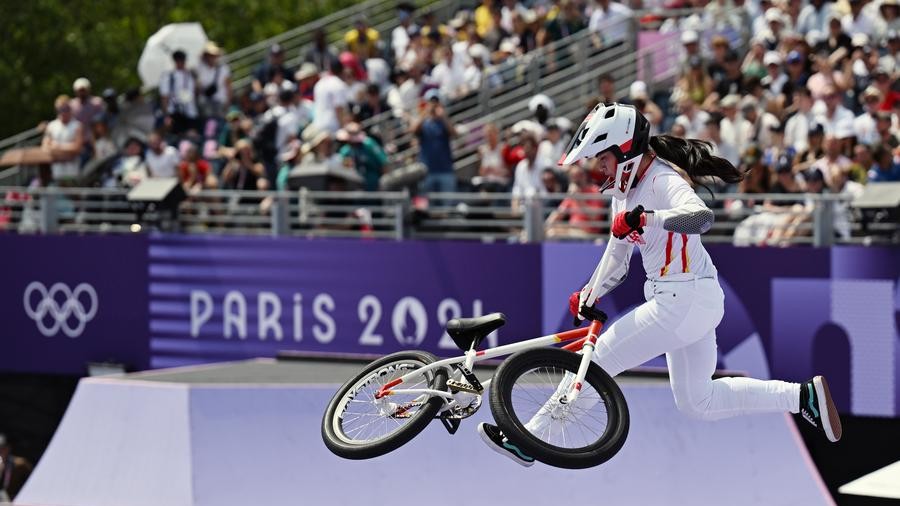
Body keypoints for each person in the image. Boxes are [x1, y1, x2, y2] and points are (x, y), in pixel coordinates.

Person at [477, 103, 842, 466]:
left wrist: (648, 219)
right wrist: (590, 291)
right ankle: (802, 397)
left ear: (623, 151)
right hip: (691, 301)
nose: (596, 168)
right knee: (699, 402)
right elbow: (616, 258)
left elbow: (701, 218)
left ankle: (528, 439)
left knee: (597, 360)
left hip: (681, 298)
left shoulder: (663, 180)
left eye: (601, 159)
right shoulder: (623, 193)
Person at [41, 95, 84, 183]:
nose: (63, 112)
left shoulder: (77, 125)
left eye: (66, 109)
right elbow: (45, 147)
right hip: (56, 173)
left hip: (73, 173)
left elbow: (77, 147)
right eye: (60, 109)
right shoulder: (51, 126)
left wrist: (57, 146)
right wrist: (66, 150)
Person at [158, 49, 199, 135]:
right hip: (175, 112)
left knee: (193, 135)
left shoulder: (191, 74)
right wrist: (166, 115)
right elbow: (164, 97)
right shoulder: (168, 76)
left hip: (191, 111)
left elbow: (196, 92)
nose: (181, 62)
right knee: (180, 137)